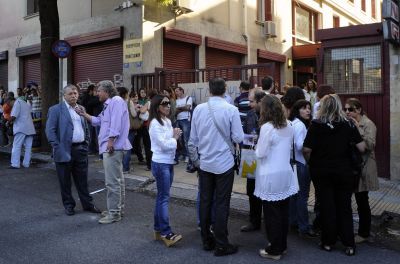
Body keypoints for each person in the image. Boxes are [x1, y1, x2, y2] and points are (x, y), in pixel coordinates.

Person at [303, 94, 366, 256]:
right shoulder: (348, 125)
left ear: (323, 107)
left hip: (322, 171)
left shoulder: (316, 125)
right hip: (344, 172)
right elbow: (362, 148)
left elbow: (307, 149)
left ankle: (328, 242)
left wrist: (311, 162)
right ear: (339, 106)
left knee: (327, 206)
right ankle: (349, 244)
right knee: (344, 206)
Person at [188, 77, 244, 256]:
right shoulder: (231, 110)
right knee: (221, 203)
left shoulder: (199, 109)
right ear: (225, 90)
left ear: (209, 90)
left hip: (205, 163)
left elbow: (193, 140)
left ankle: (206, 240)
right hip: (224, 163)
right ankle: (221, 243)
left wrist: (196, 161)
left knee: (205, 201)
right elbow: (238, 138)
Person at [79, 80, 132, 224]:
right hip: (114, 147)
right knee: (118, 181)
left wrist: (110, 141)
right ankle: (117, 210)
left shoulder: (115, 101)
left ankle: (114, 213)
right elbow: (98, 121)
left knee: (112, 182)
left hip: (112, 147)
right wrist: (85, 114)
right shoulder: (109, 104)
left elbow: (116, 123)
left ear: (107, 91)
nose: (97, 94)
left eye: (99, 91)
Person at [45, 84, 101, 216]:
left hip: (80, 149)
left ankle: (87, 204)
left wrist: (86, 143)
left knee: (82, 180)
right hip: (64, 150)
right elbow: (50, 130)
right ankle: (69, 205)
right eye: (70, 93)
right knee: (65, 180)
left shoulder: (81, 108)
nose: (74, 95)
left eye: (75, 93)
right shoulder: (56, 110)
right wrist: (57, 147)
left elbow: (85, 128)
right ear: (64, 95)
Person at [254, 95, 299, 260]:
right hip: (286, 173)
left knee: (272, 214)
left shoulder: (267, 127)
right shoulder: (289, 125)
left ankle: (274, 249)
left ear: (266, 109)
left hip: (270, 174)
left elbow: (261, 152)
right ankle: (282, 245)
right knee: (283, 212)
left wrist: (255, 147)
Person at [149, 94, 183, 247]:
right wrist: (175, 138)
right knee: (163, 198)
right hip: (161, 163)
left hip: (168, 163)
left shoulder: (167, 121)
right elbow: (164, 145)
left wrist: (174, 134)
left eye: (169, 103)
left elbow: (169, 142)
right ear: (157, 107)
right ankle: (166, 233)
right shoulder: (155, 123)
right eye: (165, 103)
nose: (168, 106)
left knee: (162, 197)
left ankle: (158, 230)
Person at [345, 98, 379, 244]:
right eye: (345, 109)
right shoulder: (348, 123)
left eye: (350, 109)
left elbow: (370, 145)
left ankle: (364, 233)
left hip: (364, 166)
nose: (347, 112)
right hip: (351, 166)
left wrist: (358, 127)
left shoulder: (368, 124)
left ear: (358, 110)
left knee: (362, 200)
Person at [287, 99, 316, 237]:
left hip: (293, 163)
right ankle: (303, 227)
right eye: (304, 108)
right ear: (298, 110)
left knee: (294, 195)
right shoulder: (301, 126)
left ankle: (293, 222)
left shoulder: (293, 123)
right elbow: (299, 146)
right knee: (302, 197)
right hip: (301, 163)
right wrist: (311, 146)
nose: (308, 111)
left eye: (309, 108)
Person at [240, 89, 266, 232]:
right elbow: (245, 134)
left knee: (266, 191)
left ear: (260, 102)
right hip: (250, 157)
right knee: (251, 190)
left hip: (266, 159)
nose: (249, 104)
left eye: (251, 101)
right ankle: (254, 221)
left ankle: (269, 222)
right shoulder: (249, 114)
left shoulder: (270, 116)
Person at [9, 94, 35, 169]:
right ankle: (26, 164)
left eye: (8, 103)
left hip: (21, 128)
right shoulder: (25, 102)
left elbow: (14, 116)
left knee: (16, 146)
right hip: (30, 128)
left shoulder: (17, 102)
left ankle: (15, 164)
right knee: (28, 147)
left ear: (11, 101)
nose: (9, 105)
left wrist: (8, 122)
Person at [174, 86, 195, 173]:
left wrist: (179, 108)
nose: (176, 93)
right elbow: (175, 111)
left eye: (177, 91)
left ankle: (188, 156)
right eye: (175, 91)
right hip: (178, 120)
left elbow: (188, 108)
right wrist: (182, 108)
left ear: (182, 91)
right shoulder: (176, 101)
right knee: (179, 139)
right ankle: (183, 153)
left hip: (186, 120)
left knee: (187, 139)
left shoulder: (188, 98)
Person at [118, 87, 137, 174]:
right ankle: (126, 168)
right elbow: (133, 114)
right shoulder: (129, 102)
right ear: (125, 93)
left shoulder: (116, 102)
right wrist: (137, 110)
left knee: (121, 147)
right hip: (129, 127)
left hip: (119, 127)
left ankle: (120, 167)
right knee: (127, 147)